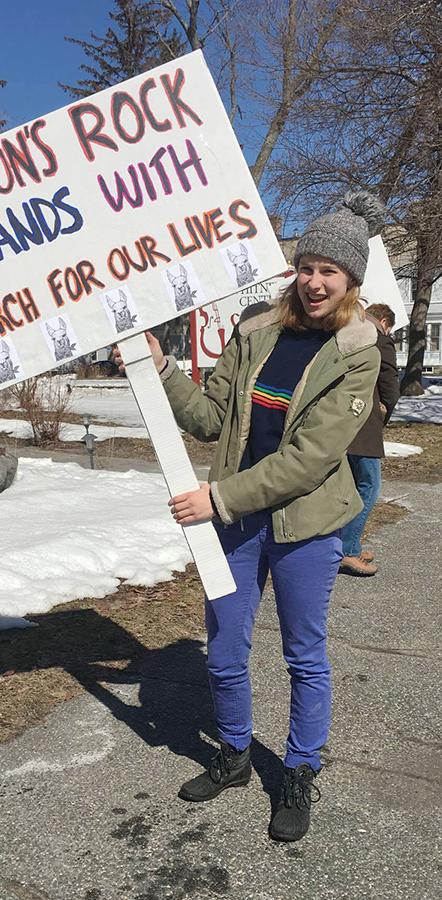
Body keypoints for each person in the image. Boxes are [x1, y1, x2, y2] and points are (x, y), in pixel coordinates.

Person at [114, 191, 384, 842]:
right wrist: (161, 366)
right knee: (226, 648)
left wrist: (219, 500)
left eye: (331, 272)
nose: (316, 281)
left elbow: (310, 457)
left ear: (351, 281)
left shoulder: (358, 349)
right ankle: (234, 754)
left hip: (306, 524)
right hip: (237, 522)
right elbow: (211, 418)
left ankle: (296, 770)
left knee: (303, 654)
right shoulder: (256, 328)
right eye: (308, 266)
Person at [339, 303, 400, 576]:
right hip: (365, 424)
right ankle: (347, 551)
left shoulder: (347, 333)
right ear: (385, 322)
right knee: (369, 486)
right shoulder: (381, 339)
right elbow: (389, 384)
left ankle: (345, 544)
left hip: (341, 421)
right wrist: (383, 412)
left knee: (349, 488)